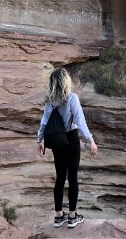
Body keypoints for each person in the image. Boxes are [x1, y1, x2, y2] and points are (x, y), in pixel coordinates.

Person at [37, 67, 99, 228]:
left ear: (53, 83)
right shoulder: (72, 98)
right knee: (72, 178)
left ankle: (59, 216)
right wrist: (90, 140)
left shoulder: (50, 100)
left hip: (57, 141)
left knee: (59, 178)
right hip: (71, 139)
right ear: (66, 82)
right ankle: (72, 216)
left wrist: (39, 141)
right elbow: (80, 120)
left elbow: (44, 122)